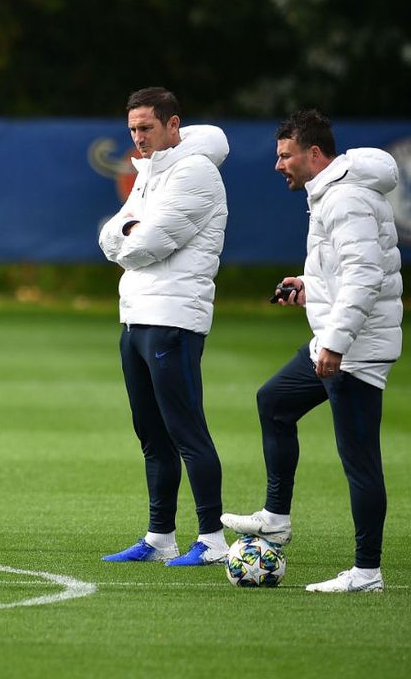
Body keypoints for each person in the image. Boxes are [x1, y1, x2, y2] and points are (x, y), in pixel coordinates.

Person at [222, 110, 401, 593]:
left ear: (314, 154)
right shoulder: (332, 194)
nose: (279, 165)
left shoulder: (344, 199)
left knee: (359, 460)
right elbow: (345, 270)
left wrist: (337, 344)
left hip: (354, 350)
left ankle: (366, 573)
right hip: (335, 338)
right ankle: (276, 518)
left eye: (286, 155)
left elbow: (367, 276)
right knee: (274, 402)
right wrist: (308, 285)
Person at [97, 87, 230, 566]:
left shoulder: (195, 172)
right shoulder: (150, 170)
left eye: (146, 128)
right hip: (136, 315)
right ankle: (160, 538)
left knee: (186, 430)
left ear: (174, 125)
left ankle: (213, 540)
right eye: (132, 129)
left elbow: (144, 243)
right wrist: (127, 232)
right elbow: (111, 232)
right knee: (150, 433)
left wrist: (127, 234)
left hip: (173, 317)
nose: (138, 137)